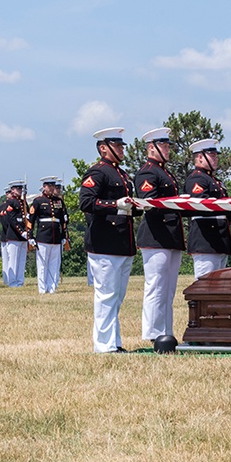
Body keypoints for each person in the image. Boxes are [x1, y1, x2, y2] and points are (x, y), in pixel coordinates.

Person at [79, 127, 142, 353]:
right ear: (103, 148)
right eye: (117, 145)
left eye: (122, 145)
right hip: (104, 242)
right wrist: (115, 205)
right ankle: (103, 346)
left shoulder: (122, 174)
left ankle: (114, 342)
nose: (122, 149)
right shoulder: (98, 173)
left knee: (116, 297)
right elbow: (86, 202)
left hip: (122, 241)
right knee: (106, 296)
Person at [134, 127, 184, 341]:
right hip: (156, 235)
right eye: (163, 145)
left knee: (168, 289)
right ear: (151, 148)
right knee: (156, 286)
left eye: (168, 145)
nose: (167, 149)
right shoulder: (148, 172)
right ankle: (153, 333)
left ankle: (166, 332)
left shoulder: (165, 172)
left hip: (170, 234)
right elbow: (150, 201)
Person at [184, 138, 231, 278]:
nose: (216, 159)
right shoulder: (196, 179)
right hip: (206, 242)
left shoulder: (216, 181)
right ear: (199, 157)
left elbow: (227, 214)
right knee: (204, 285)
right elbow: (203, 206)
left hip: (219, 241)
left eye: (216, 156)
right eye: (212, 155)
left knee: (217, 288)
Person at [29, 176, 68, 294]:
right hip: (43, 236)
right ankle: (42, 288)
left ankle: (52, 287)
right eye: (49, 186)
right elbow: (31, 219)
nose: (51, 188)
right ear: (44, 187)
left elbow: (63, 220)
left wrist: (64, 235)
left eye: (53, 186)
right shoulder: (38, 201)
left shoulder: (59, 201)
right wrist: (30, 236)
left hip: (56, 236)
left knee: (54, 263)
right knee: (42, 264)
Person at [0, 180, 29, 287]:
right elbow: (11, 220)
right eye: (18, 189)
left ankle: (20, 281)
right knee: (13, 260)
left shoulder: (23, 202)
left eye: (21, 189)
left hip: (22, 236)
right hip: (14, 235)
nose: (20, 191)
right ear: (12, 190)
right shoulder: (10, 203)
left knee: (21, 260)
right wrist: (21, 232)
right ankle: (12, 282)